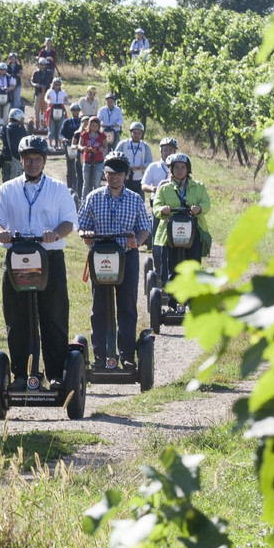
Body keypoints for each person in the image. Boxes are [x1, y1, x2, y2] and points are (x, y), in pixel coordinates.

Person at [0, 135, 79, 390]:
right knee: (17, 318)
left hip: (49, 258)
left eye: (37, 159)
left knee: (54, 316)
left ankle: (57, 375)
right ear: (22, 161)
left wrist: (56, 233)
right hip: (17, 259)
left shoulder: (58, 189)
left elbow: (70, 221)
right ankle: (22, 375)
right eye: (28, 159)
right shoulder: (8, 189)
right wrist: (0, 233)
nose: (33, 163)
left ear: (44, 161)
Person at [78, 152, 152, 371]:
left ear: (125, 175)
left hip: (126, 256)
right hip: (100, 256)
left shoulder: (135, 198)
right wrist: (86, 234)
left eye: (119, 173)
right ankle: (100, 355)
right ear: (105, 173)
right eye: (110, 173)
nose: (114, 177)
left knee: (127, 306)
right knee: (99, 306)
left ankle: (127, 355)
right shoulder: (94, 197)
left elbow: (145, 229)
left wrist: (135, 243)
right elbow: (82, 223)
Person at [152, 153, 211, 306]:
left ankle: (193, 301)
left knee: (193, 266)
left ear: (187, 169)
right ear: (171, 170)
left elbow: (206, 204)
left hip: (193, 230)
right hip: (170, 232)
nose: (179, 170)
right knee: (172, 268)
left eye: (182, 167)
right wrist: (162, 210)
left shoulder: (198, 187)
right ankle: (173, 303)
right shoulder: (164, 189)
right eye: (176, 167)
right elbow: (156, 207)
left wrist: (199, 208)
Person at [142, 136, 178, 283]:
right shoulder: (154, 167)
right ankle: (160, 271)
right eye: (165, 150)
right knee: (158, 239)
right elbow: (143, 185)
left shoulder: (179, 166)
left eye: (170, 149)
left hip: (176, 208)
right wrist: (154, 188)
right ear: (161, 151)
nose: (168, 152)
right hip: (158, 206)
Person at [115, 121, 153, 198]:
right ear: (131, 132)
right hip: (124, 177)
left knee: (139, 199)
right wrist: (125, 166)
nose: (137, 135)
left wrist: (142, 166)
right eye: (135, 133)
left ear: (142, 134)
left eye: (139, 133)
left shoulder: (145, 146)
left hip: (139, 178)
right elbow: (115, 157)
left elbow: (149, 161)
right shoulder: (123, 144)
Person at [79, 116, 107, 200]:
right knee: (86, 183)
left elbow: (105, 146)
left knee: (96, 183)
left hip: (98, 160)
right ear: (89, 125)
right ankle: (83, 201)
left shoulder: (102, 135)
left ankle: (97, 200)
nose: (94, 128)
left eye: (96, 126)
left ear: (99, 126)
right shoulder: (84, 134)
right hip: (87, 160)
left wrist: (101, 149)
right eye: (93, 125)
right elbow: (80, 145)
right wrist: (83, 148)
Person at [60, 104, 83, 195]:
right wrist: (63, 138)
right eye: (73, 110)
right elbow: (61, 133)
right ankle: (69, 188)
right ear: (71, 111)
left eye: (77, 110)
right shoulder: (67, 122)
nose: (75, 112)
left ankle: (78, 188)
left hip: (80, 147)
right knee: (70, 167)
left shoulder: (82, 122)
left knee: (79, 167)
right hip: (69, 146)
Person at [3, 107, 29, 180]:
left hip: (6, 159)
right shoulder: (19, 130)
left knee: (6, 184)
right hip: (15, 160)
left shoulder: (4, 129)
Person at [44, 77, 69, 150]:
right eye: (55, 84)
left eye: (58, 84)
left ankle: (59, 144)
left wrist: (65, 102)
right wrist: (48, 101)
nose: (57, 86)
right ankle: (51, 145)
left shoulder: (63, 92)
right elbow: (46, 98)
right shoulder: (50, 91)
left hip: (60, 108)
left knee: (60, 127)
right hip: (52, 108)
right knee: (51, 127)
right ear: (53, 84)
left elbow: (66, 99)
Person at [30, 58, 54, 129]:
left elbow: (51, 82)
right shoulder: (36, 73)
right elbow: (32, 81)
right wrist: (35, 85)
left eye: (44, 64)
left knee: (46, 109)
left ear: (46, 65)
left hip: (46, 93)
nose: (42, 66)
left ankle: (45, 124)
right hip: (38, 92)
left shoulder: (49, 73)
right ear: (39, 65)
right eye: (41, 64)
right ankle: (37, 124)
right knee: (37, 108)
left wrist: (49, 87)